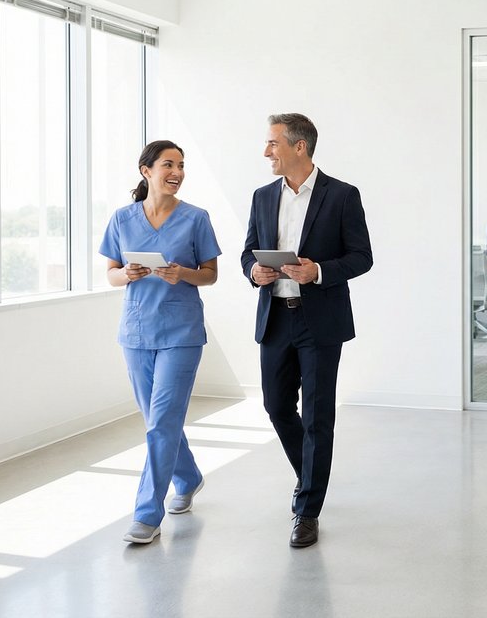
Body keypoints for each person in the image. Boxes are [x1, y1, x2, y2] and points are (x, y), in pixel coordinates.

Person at [240, 113, 373, 548]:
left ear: (299, 147)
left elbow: (361, 257)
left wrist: (318, 270)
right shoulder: (262, 197)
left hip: (320, 321)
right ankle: (312, 474)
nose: (266, 152)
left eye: (272, 143)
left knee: (318, 417)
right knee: (276, 406)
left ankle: (307, 509)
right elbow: (246, 252)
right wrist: (254, 270)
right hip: (275, 317)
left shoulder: (342, 195)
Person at [99, 140, 221, 545]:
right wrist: (128, 274)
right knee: (159, 423)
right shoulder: (122, 218)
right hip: (136, 332)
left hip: (181, 333)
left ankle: (147, 514)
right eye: (169, 164)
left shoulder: (196, 218)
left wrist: (182, 273)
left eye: (182, 165)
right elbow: (111, 273)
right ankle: (188, 476)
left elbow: (210, 274)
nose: (177, 171)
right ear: (146, 170)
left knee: (163, 420)